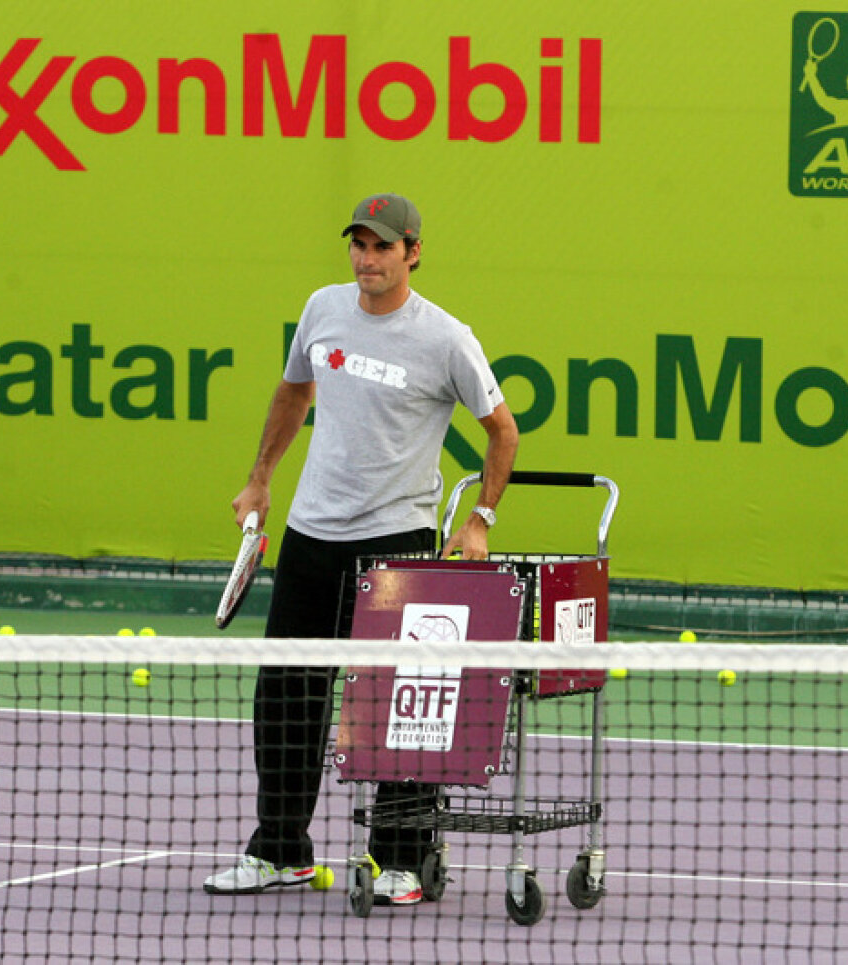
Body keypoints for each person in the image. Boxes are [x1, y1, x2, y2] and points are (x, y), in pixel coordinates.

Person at [203, 193, 519, 906]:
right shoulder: (322, 309)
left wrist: (480, 520)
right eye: (358, 245)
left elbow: (503, 431)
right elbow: (293, 393)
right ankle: (280, 851)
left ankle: (399, 860)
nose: (366, 258)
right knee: (285, 695)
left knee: (394, 702)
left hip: (396, 542)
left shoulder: (445, 338)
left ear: (412, 251)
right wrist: (260, 480)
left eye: (382, 247)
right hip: (312, 534)